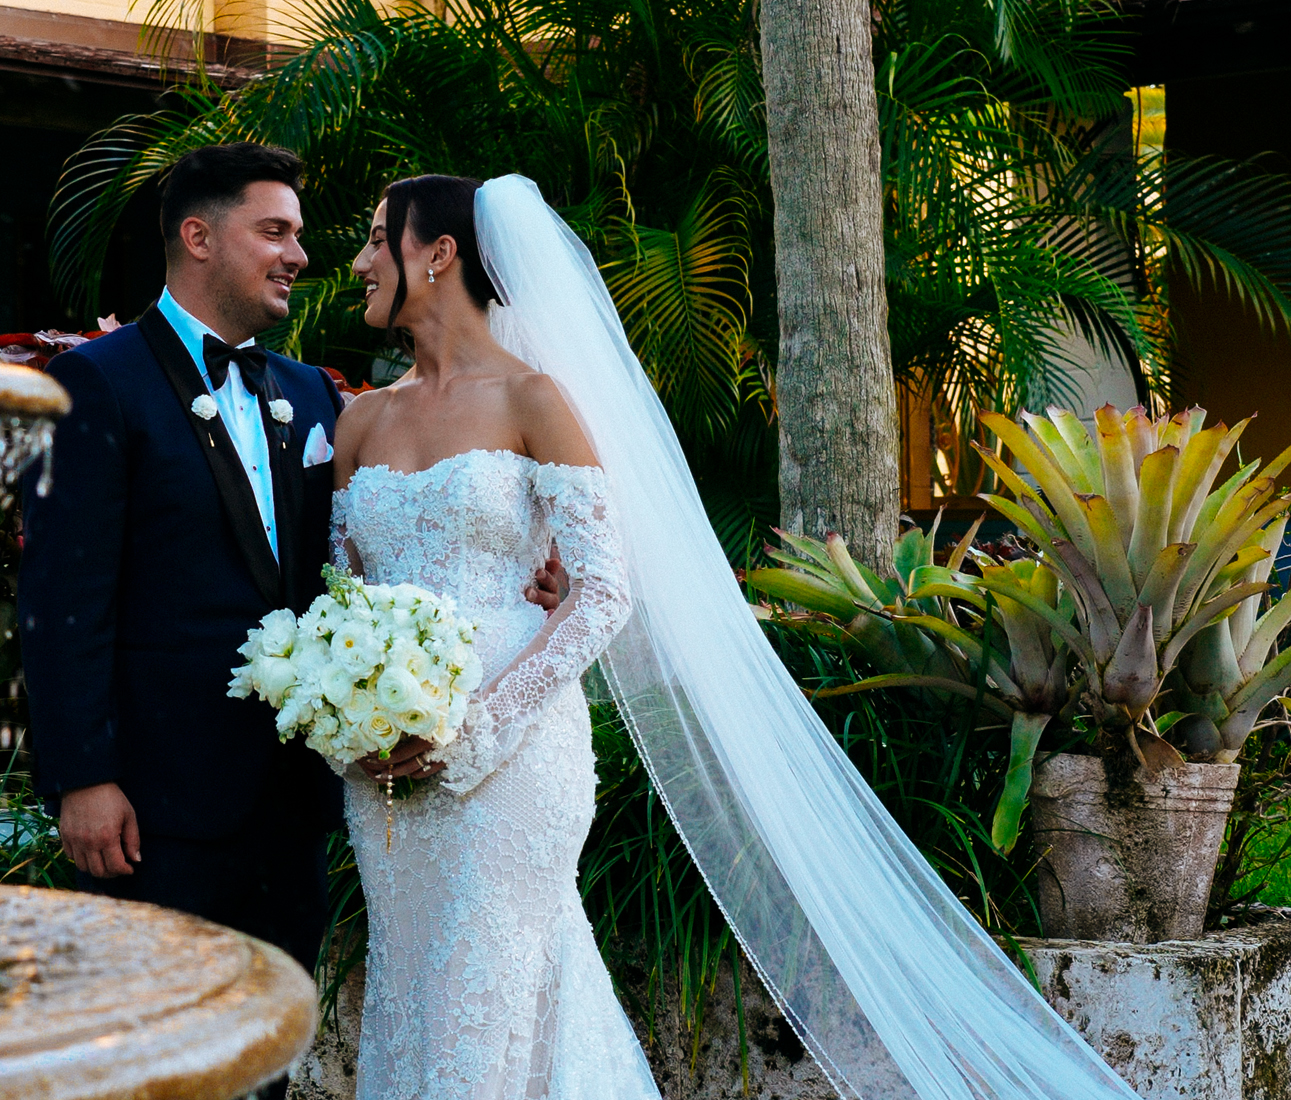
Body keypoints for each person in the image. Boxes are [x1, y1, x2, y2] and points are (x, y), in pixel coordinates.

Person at [334, 170, 1148, 1100]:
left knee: (490, 986)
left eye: (374, 237)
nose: (357, 261)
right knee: (413, 992)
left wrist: (475, 728)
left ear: (437, 255)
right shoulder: (361, 419)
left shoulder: (534, 400)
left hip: (510, 761)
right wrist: (347, 724)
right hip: (388, 775)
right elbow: (341, 602)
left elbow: (603, 592)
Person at [16, 143, 347, 1029]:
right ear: (198, 236)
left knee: (267, 1051)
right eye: (274, 231)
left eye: (299, 235)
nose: (298, 256)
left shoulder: (313, 397)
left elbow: (357, 556)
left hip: (291, 806)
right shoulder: (96, 381)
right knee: (154, 1053)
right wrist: (83, 777)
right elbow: (62, 595)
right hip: (155, 812)